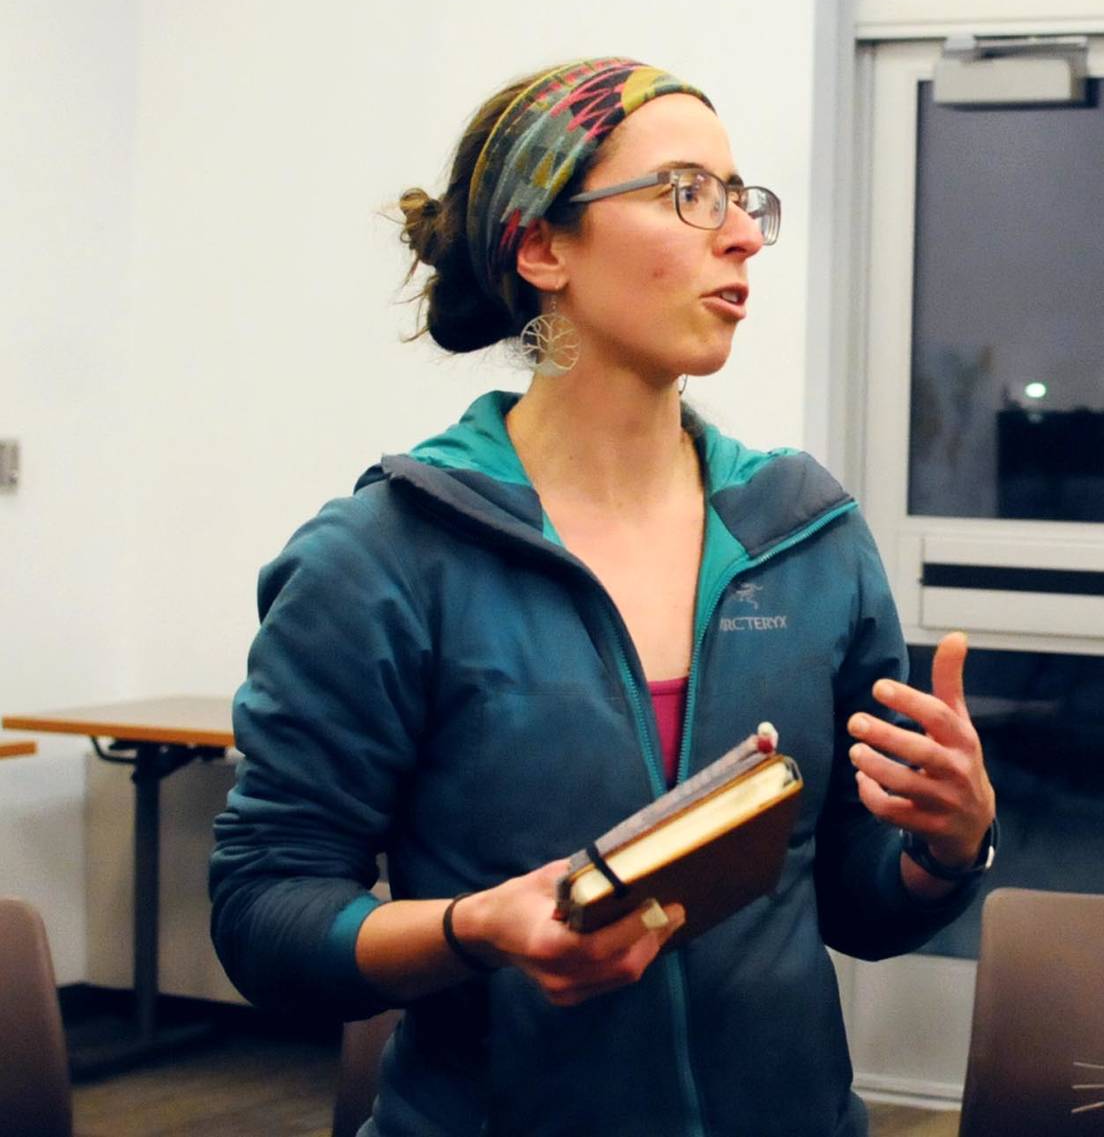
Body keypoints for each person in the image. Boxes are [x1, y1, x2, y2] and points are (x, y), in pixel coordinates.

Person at [210, 58, 998, 1136]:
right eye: (687, 193)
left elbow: (853, 903)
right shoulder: (386, 557)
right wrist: (473, 927)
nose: (742, 236)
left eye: (741, 198)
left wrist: (943, 845)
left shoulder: (804, 533)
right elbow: (263, 911)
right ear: (542, 248)